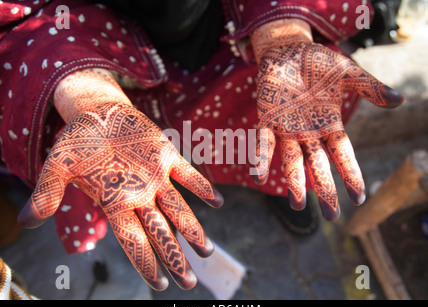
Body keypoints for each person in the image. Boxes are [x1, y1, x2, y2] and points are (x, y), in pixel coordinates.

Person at [0, 0, 403, 291]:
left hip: (237, 39)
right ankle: (180, 185)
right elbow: (21, 12)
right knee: (159, 153)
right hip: (118, 64)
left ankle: (277, 188)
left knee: (284, 132)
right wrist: (90, 98)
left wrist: (282, 34)